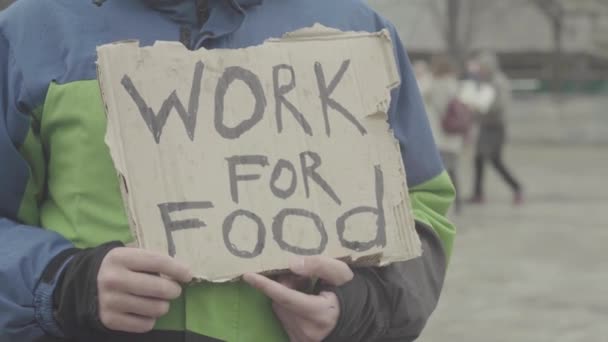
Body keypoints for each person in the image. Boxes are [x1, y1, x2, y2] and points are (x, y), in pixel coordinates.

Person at [0, 1, 456, 341]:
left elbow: (423, 212)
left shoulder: (356, 27)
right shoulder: (32, 31)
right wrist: (63, 284)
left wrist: (357, 307)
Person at [467, 52, 523, 205]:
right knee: (478, 158)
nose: (480, 70)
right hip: (485, 126)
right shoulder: (485, 82)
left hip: (496, 127)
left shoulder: (499, 82)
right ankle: (478, 194)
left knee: (495, 160)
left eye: (482, 67)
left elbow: (500, 105)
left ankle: (517, 188)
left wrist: (481, 108)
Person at [423, 55, 465, 214]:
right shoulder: (454, 84)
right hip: (453, 135)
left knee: (438, 172)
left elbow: (422, 94)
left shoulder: (433, 84)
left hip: (439, 135)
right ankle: (458, 202)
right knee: (453, 170)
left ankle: (440, 202)